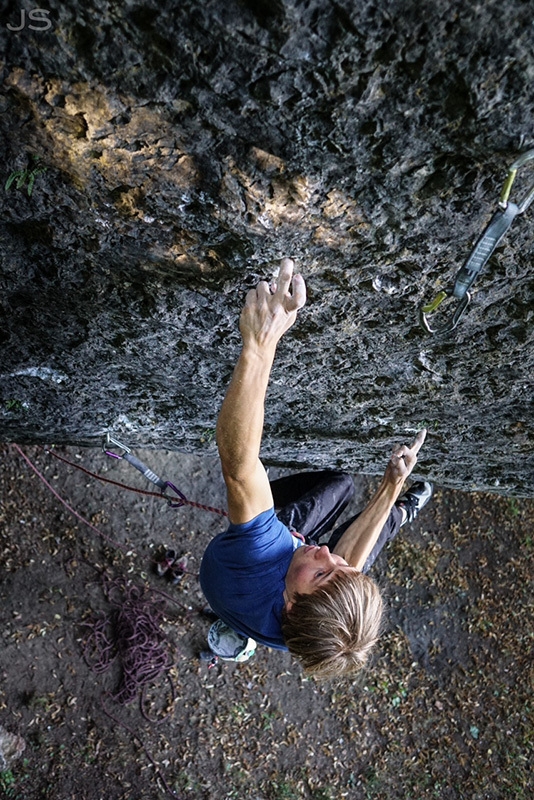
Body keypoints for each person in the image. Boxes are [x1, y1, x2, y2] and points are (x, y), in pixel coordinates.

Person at [199, 259, 433, 679]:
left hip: (248, 568)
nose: (327, 554)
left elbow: (239, 467)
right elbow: (348, 566)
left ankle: (399, 514)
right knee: (352, 506)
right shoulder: (314, 632)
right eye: (336, 569)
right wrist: (389, 487)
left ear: (290, 604)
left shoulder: (261, 555)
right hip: (260, 593)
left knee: (338, 486)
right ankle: (398, 508)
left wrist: (260, 343)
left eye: (322, 572)